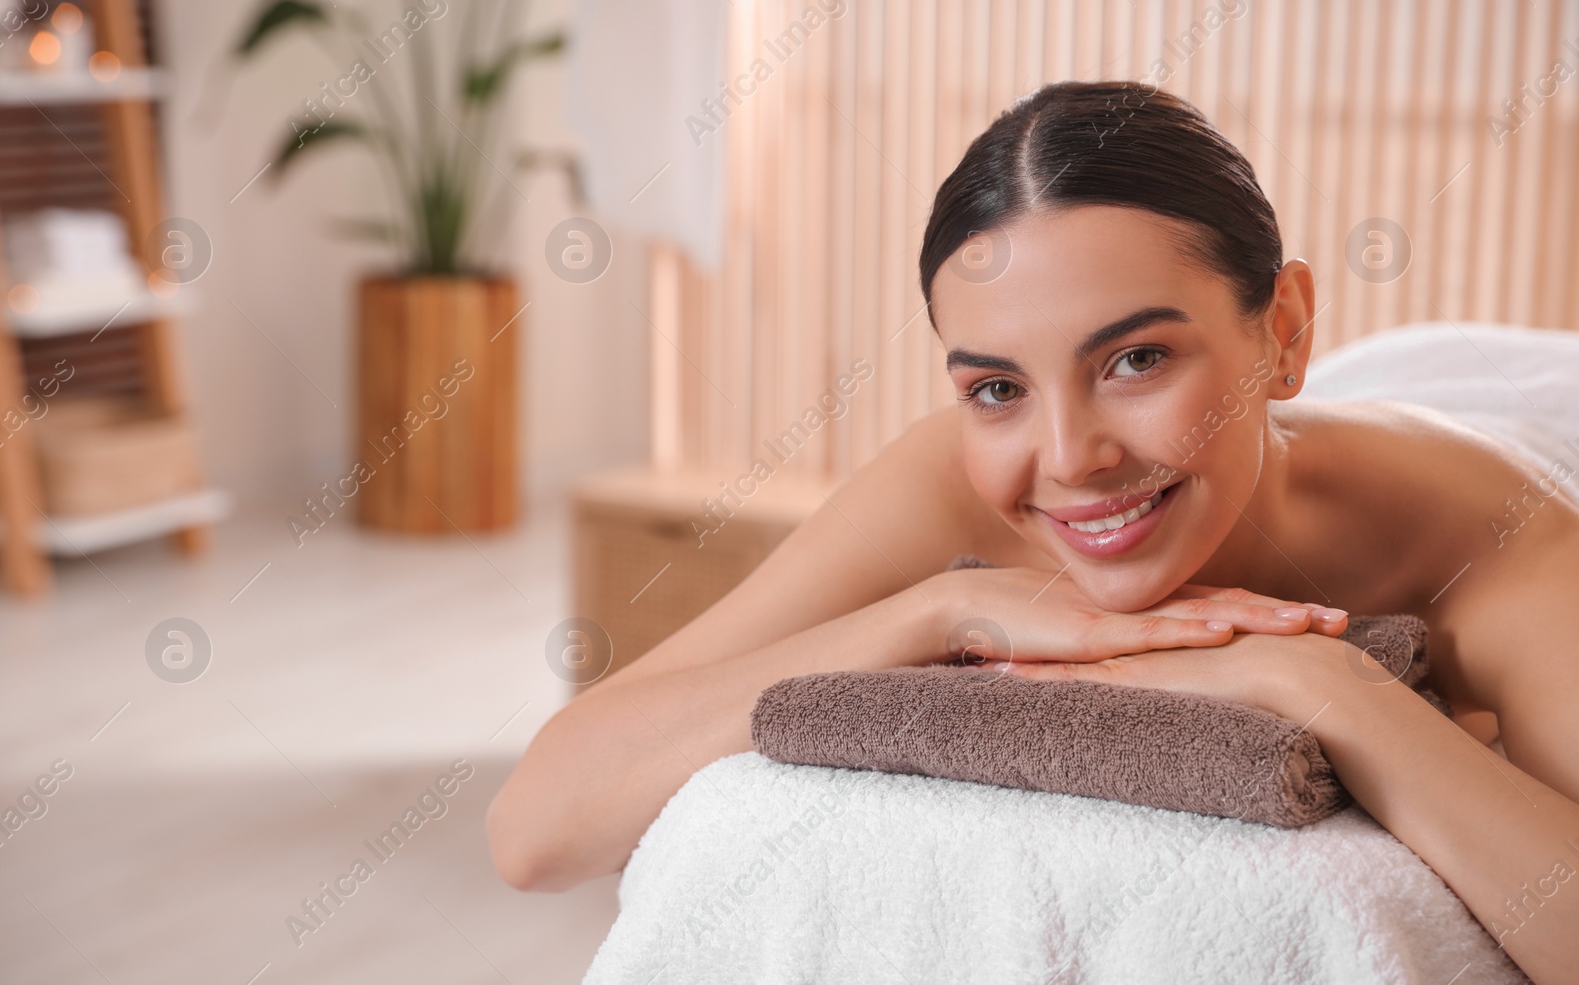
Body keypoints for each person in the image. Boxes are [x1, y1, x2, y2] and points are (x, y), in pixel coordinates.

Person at [489, 81, 1579, 984]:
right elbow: (536, 829)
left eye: (1135, 359)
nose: (1067, 457)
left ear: (1281, 332)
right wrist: (938, 610)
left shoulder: (1499, 538)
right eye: (999, 385)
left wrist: (1326, 686)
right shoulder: (950, 487)